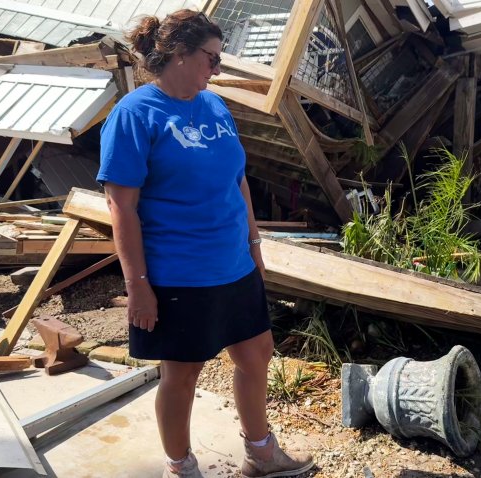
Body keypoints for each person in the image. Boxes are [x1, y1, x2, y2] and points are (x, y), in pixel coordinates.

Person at [96, 9, 315, 478]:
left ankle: (260, 452)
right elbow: (122, 208)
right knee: (183, 374)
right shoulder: (134, 116)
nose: (216, 70)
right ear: (178, 54)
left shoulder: (213, 105)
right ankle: (181, 466)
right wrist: (138, 285)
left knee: (257, 354)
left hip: (233, 264)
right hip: (179, 272)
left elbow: (239, 182)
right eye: (211, 59)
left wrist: (255, 246)